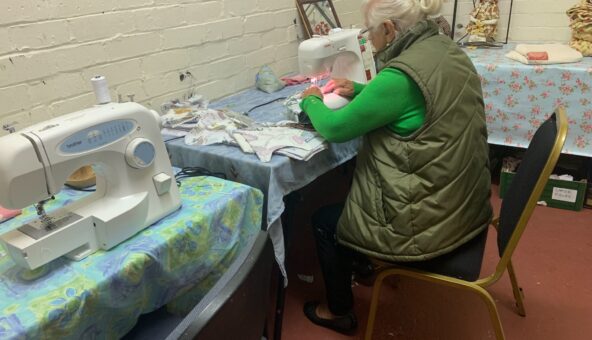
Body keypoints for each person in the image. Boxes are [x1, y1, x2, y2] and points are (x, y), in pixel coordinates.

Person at [299, 0, 493, 334]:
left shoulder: (399, 75)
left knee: (324, 221)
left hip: (427, 225)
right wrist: (360, 90)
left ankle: (339, 311)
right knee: (356, 193)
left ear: (388, 30)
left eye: (369, 32)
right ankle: (363, 264)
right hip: (463, 204)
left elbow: (334, 128)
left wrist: (311, 100)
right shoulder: (445, 49)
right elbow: (413, 101)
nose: (369, 39)